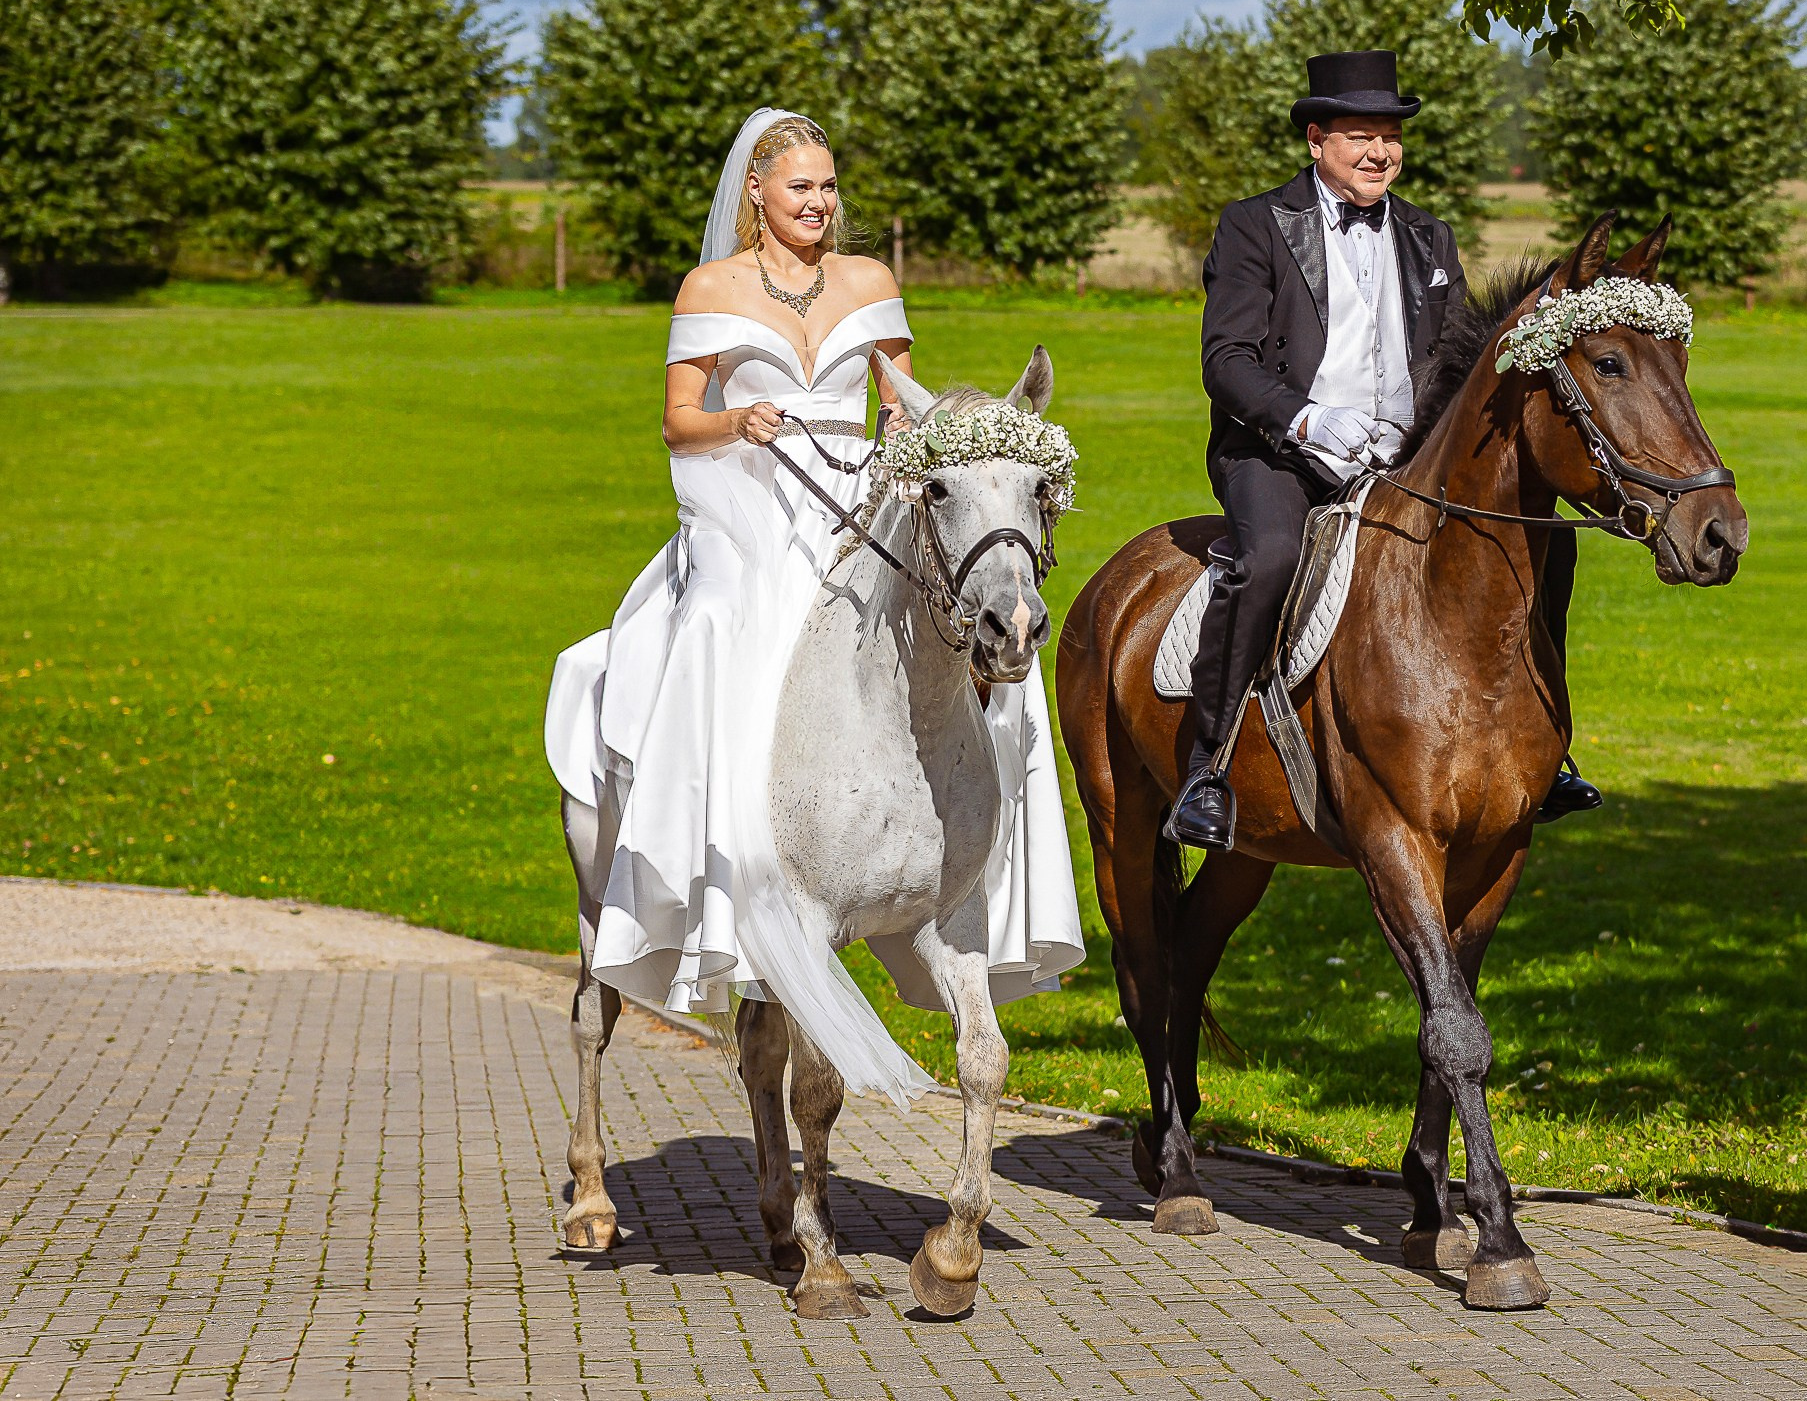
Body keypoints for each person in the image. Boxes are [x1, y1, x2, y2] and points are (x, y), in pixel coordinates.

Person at [544, 107, 1083, 1035]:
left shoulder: (870, 281)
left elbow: (900, 409)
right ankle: (709, 844)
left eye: (829, 187)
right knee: (718, 611)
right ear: (756, 191)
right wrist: (734, 422)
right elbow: (679, 420)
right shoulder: (709, 286)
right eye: (801, 187)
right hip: (745, 494)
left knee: (969, 615)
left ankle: (971, 838)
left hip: (852, 493)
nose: (819, 203)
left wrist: (929, 465)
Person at [1165, 52, 1603, 850]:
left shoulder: (1429, 237)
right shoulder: (1254, 225)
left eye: (1391, 135)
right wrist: (1304, 419)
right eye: (1360, 134)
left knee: (1549, 541)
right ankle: (1208, 767)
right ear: (1315, 139)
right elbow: (1225, 362)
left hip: (1404, 457)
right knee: (1266, 557)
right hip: (1279, 453)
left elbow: (1457, 362)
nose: (1380, 151)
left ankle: (1549, 748)